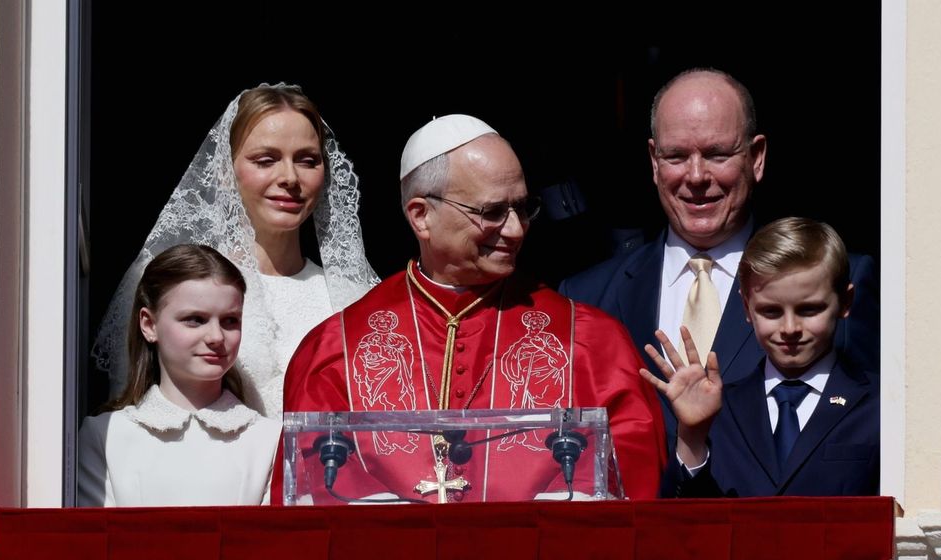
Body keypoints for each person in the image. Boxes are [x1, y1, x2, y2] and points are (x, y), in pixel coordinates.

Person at [274, 115, 666, 504]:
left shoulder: (591, 343)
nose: (515, 230)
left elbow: (631, 487)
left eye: (523, 207)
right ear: (421, 216)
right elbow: (307, 510)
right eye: (491, 212)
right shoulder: (337, 351)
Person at [558, 68, 879, 443]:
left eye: (716, 154)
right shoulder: (586, 297)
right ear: (653, 162)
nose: (696, 176)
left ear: (756, 158)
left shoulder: (837, 282)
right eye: (676, 156)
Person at [93, 84, 379, 418]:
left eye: (307, 160)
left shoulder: (354, 297)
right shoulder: (172, 282)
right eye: (266, 160)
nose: (289, 177)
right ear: (225, 173)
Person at [641, 218, 879, 497]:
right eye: (771, 312)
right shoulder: (718, 410)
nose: (790, 328)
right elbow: (683, 527)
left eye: (809, 310)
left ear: (845, 302)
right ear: (746, 307)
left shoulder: (880, 406)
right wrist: (692, 437)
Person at [77, 244, 279, 506]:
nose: (216, 337)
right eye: (195, 319)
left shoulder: (269, 441)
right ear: (149, 325)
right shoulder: (105, 436)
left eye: (230, 321)